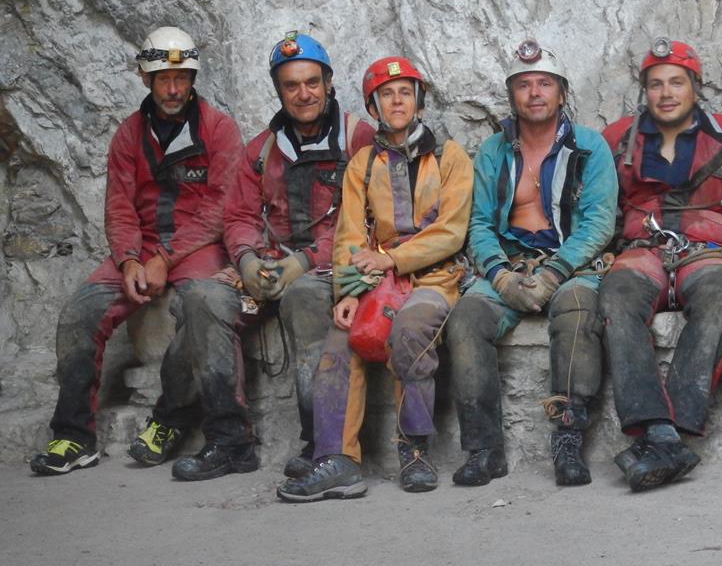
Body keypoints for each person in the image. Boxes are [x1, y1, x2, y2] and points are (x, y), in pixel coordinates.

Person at [30, 27, 243, 476]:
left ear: (193, 78)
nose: (173, 88)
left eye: (182, 78)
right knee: (79, 312)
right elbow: (120, 207)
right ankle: (73, 435)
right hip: (141, 246)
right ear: (144, 78)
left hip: (197, 247)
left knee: (201, 309)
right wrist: (128, 259)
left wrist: (165, 257)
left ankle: (170, 420)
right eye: (163, 78)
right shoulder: (128, 135)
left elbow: (221, 207)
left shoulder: (220, 130)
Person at [276, 56, 472, 501]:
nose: (397, 100)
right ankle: (337, 460)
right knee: (339, 342)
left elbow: (451, 231)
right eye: (387, 94)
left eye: (405, 92)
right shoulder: (363, 163)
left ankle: (415, 450)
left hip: (432, 281)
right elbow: (348, 233)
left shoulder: (449, 156)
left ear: (419, 102)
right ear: (373, 106)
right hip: (373, 282)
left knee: (410, 331)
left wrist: (392, 259)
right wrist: (347, 291)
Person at [194, 32, 374, 481]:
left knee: (306, 298)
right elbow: (237, 214)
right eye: (291, 85)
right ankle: (229, 441)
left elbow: (370, 219)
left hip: (324, 272)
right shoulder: (262, 150)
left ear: (329, 83)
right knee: (202, 300)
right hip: (270, 268)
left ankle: (319, 442)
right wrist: (248, 260)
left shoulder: (360, 139)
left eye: (312, 82)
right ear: (278, 90)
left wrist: (307, 262)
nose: (303, 94)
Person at [598, 37, 722, 492]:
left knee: (720, 297)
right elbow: (599, 210)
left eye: (677, 82)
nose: (666, 92)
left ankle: (671, 433)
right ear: (645, 91)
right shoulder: (618, 139)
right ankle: (655, 428)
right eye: (655, 84)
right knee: (616, 296)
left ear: (695, 87)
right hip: (643, 246)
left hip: (711, 251)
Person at [446, 39, 617, 487]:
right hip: (508, 264)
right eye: (524, 85)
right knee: (465, 318)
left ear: (561, 93)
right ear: (512, 95)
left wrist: (554, 272)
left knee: (579, 309)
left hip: (570, 267)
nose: (535, 93)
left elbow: (599, 224)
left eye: (545, 83)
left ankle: (568, 440)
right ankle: (484, 449)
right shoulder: (492, 151)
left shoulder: (590, 147)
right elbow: (478, 223)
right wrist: (500, 276)